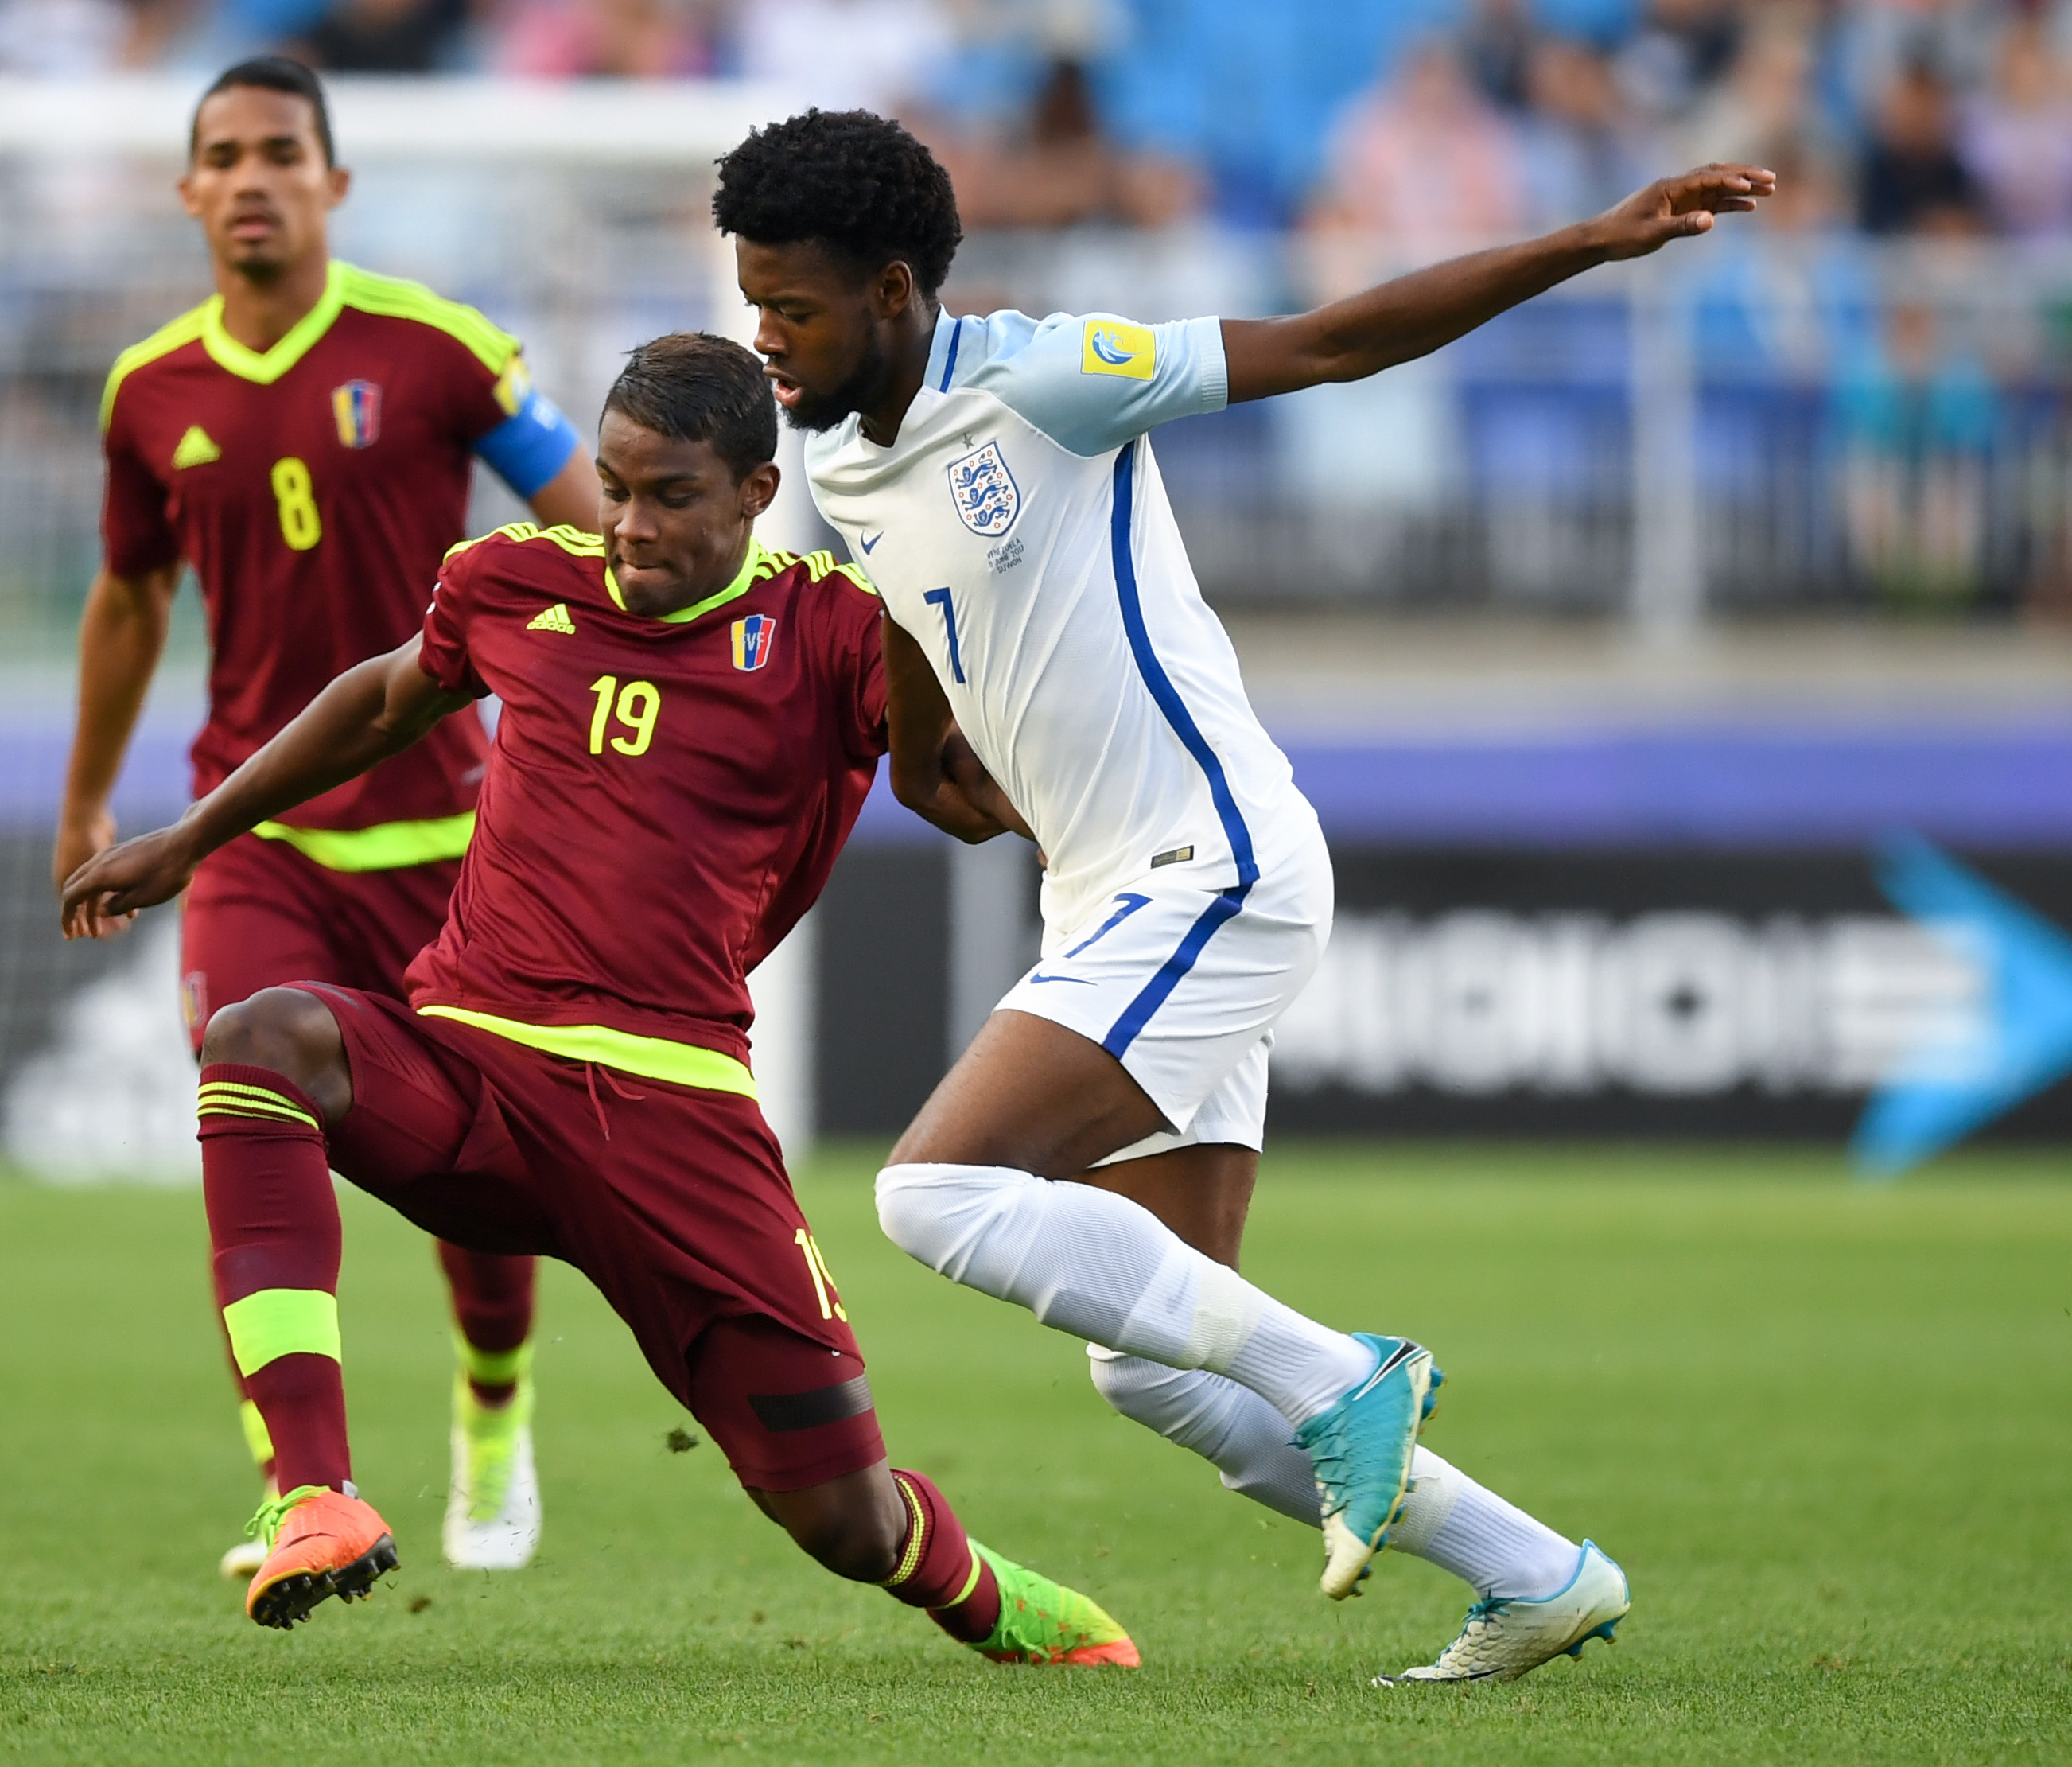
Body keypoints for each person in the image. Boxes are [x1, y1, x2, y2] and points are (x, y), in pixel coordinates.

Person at [717, 107, 1773, 1685]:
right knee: (1155, 1369)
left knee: (928, 1193)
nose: (767, 341)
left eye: (791, 307)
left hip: (1212, 871)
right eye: (752, 304)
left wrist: (1586, 239)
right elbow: (911, 606)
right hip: (1108, 899)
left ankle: (1354, 1375)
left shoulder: (1045, 375)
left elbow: (1332, 342)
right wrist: (922, 755)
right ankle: (1536, 1573)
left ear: (889, 287)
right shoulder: (838, 454)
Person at [57, 333, 1139, 1666]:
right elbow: (384, 700)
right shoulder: (510, 582)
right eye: (615, 487)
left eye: (669, 495)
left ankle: (1000, 1605)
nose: (627, 525)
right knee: (259, 1041)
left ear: (756, 489)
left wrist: (1066, 827)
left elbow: (956, 771)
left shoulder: (837, 625)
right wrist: (192, 836)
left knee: (845, 1519)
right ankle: (313, 1491)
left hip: (671, 1122)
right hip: (470, 1075)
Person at [60, 56, 601, 1579]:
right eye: (221, 154)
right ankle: (310, 1489)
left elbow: (595, 533)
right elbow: (129, 596)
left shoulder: (434, 350)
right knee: (248, 1091)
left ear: (333, 184)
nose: (250, 177)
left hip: (456, 845)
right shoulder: (147, 391)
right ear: (187, 191)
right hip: (256, 836)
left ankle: (492, 1406)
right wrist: (87, 797)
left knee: (480, 1183)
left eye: (280, 152)